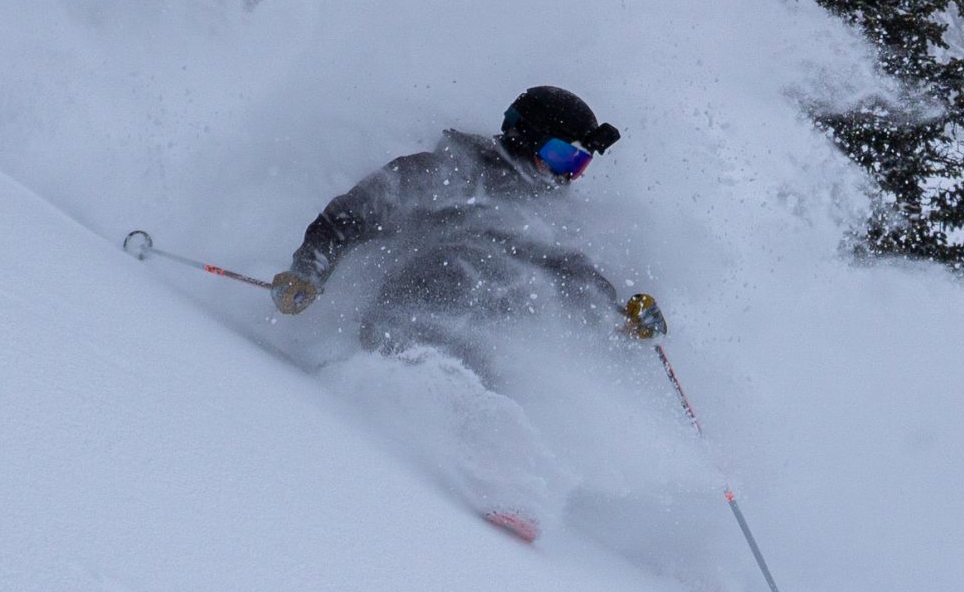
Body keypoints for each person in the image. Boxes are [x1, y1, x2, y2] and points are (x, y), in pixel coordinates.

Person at [270, 85, 667, 375]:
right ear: (525, 138)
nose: (565, 177)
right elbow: (347, 217)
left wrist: (620, 320)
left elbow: (572, 274)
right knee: (467, 263)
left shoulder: (548, 218)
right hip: (406, 320)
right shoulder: (449, 173)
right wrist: (308, 272)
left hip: (486, 351)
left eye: (577, 166)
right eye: (561, 157)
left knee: (523, 292)